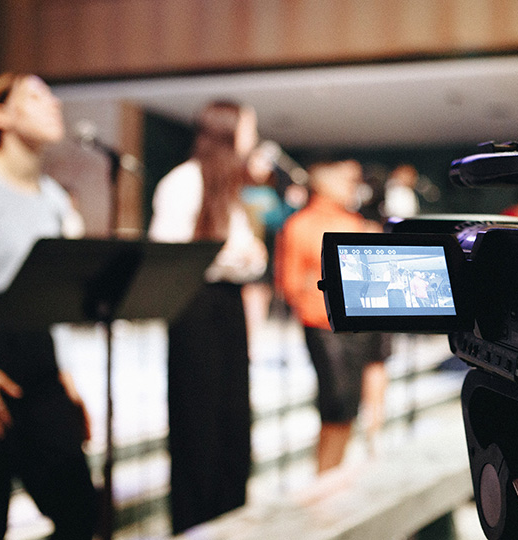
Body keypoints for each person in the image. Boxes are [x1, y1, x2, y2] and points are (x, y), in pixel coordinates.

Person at [0, 73, 96, 540]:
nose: (53, 105)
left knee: (79, 507)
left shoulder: (52, 197)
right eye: (35, 97)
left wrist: (66, 376)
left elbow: (52, 295)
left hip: (38, 350)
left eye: (53, 96)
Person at [148, 100, 268, 534]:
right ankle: (197, 523)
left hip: (228, 306)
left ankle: (230, 518)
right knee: (197, 424)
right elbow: (169, 254)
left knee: (233, 421)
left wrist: (242, 258)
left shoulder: (232, 188)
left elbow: (251, 259)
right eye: (248, 126)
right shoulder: (183, 182)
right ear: (229, 130)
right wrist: (229, 257)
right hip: (194, 308)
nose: (253, 136)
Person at [275, 160, 389, 473]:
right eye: (346, 180)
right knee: (336, 405)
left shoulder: (354, 222)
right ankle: (326, 473)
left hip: (361, 321)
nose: (354, 186)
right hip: (324, 325)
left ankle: (339, 469)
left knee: (350, 404)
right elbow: (290, 283)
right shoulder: (301, 225)